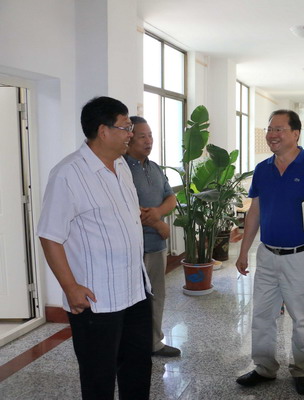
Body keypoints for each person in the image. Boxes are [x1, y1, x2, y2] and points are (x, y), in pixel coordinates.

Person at [38, 96, 152, 399]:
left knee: (138, 369)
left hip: (135, 289)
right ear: (103, 131)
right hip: (96, 298)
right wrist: (70, 287)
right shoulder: (68, 173)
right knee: (98, 377)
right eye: (126, 127)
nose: (131, 134)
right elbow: (49, 235)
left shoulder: (121, 166)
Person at [235, 110, 304, 396]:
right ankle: (264, 367)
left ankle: (301, 370)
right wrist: (243, 251)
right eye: (269, 129)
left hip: (301, 255)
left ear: (295, 133)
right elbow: (255, 211)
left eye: (278, 129)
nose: (272, 135)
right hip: (267, 254)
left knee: (301, 318)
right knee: (261, 315)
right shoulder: (262, 169)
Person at [125, 116, 180, 357]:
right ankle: (134, 346)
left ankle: (154, 343)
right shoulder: (121, 169)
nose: (149, 141)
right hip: (134, 248)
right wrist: (158, 224)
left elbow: (171, 197)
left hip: (157, 246)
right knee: (135, 301)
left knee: (157, 295)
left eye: (150, 136)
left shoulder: (154, 167)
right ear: (129, 138)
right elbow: (129, 208)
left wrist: (157, 214)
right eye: (142, 136)